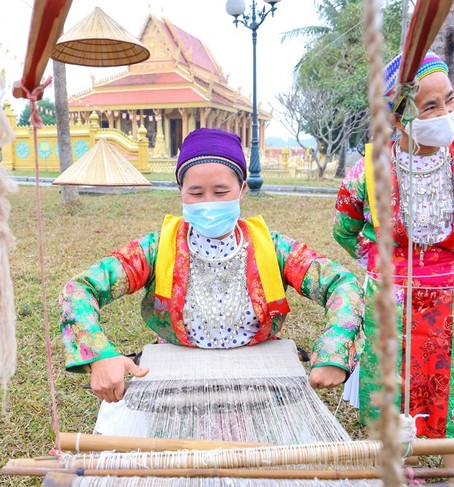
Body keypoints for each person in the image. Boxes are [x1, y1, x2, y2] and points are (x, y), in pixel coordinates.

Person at [60, 128, 364, 407]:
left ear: (243, 189)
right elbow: (80, 289)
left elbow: (342, 284)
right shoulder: (155, 250)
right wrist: (99, 354)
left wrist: (335, 347)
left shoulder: (272, 249)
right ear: (180, 191)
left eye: (221, 193)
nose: (208, 203)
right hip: (176, 390)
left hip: (258, 390)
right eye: (195, 193)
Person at [332, 52, 454, 486]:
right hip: (392, 305)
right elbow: (346, 226)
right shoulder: (368, 171)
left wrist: (444, 262)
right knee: (390, 397)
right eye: (430, 107)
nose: (445, 114)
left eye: (448, 100)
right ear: (398, 117)